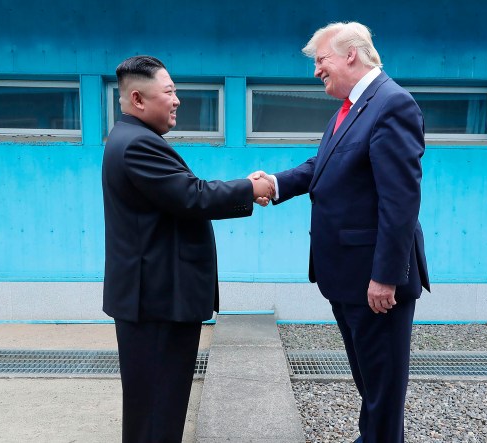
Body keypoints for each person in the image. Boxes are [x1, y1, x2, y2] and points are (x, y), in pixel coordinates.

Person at [253, 22, 429, 442]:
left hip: (374, 280)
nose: (316, 71)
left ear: (351, 54)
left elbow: (400, 201)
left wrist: (386, 276)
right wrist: (275, 184)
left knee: (383, 389)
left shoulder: (393, 104)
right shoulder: (348, 110)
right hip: (347, 277)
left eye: (321, 60)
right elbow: (322, 169)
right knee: (370, 382)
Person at [102, 55, 274, 443]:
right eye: (169, 92)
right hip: (158, 303)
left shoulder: (131, 138)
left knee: (153, 407)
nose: (177, 100)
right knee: (158, 411)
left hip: (154, 299)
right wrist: (251, 188)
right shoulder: (137, 145)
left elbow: (182, 195)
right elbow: (191, 196)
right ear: (139, 99)